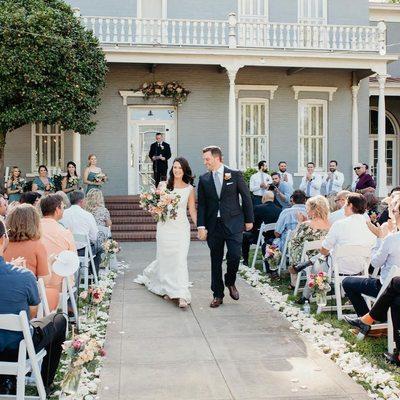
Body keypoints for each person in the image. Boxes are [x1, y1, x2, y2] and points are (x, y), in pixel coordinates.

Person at [0, 221, 66, 395]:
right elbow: (33, 313)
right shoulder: (23, 276)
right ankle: (45, 383)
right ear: (2, 240)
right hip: (17, 348)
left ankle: (7, 380)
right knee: (59, 320)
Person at [135, 157, 197, 309]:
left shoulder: (189, 189)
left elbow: (192, 210)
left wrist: (201, 227)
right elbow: (156, 207)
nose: (176, 170)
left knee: (180, 259)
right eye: (174, 167)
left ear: (185, 170)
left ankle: (181, 294)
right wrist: (155, 209)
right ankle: (167, 288)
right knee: (166, 258)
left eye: (179, 168)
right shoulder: (163, 185)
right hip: (165, 227)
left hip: (181, 228)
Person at [197, 146, 253, 308]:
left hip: (234, 223)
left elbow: (246, 197)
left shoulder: (234, 174)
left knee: (235, 255)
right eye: (204, 159)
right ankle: (217, 294)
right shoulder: (204, 179)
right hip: (213, 225)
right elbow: (202, 206)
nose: (205, 162)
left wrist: (249, 220)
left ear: (217, 158)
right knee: (215, 260)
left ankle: (230, 281)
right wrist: (201, 226)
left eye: (207, 159)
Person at [343, 276, 400, 366]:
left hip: (382, 285)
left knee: (395, 281)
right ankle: (399, 354)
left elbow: (375, 264)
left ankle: (367, 320)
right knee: (397, 299)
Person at [321, 193, 376, 275]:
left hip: (338, 268)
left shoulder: (339, 224)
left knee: (319, 261)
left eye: (345, 205)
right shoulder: (369, 226)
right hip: (360, 268)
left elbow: (324, 250)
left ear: (350, 205)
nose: (344, 208)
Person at [40, 194, 77, 311]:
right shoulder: (64, 232)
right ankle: (71, 306)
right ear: (57, 209)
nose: (63, 210)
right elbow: (73, 260)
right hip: (59, 283)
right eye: (63, 207)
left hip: (37, 280)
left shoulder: (34, 228)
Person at [287, 196, 331, 293]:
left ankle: (294, 280)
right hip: (325, 257)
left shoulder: (306, 225)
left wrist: (300, 222)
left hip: (307, 258)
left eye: (308, 209)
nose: (306, 211)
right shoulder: (332, 224)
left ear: (314, 210)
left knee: (292, 245)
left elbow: (294, 240)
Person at [4, 204, 50, 283]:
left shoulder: (3, 244)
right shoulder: (37, 246)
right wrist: (49, 264)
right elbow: (44, 279)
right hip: (27, 291)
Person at [60, 191, 102, 272]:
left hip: (66, 249)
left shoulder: (63, 214)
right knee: (99, 248)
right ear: (82, 201)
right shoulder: (88, 215)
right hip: (82, 251)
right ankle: (93, 275)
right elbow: (94, 237)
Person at [241, 191, 281, 267]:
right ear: (273, 199)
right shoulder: (279, 210)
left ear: (264, 198)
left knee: (244, 236)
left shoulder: (258, 208)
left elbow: (252, 225)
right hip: (275, 239)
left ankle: (245, 260)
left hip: (261, 238)